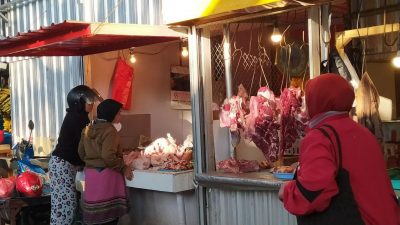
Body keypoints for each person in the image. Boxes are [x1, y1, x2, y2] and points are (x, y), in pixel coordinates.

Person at [279, 74, 400, 225]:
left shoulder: (320, 136)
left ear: (317, 101)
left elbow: (315, 194)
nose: (305, 107)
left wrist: (288, 191)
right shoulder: (363, 133)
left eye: (307, 100)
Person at [78, 99, 133, 225]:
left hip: (92, 176)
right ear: (111, 113)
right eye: (119, 113)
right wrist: (124, 167)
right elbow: (108, 157)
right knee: (109, 218)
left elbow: (81, 153)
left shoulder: (87, 129)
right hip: (107, 176)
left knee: (96, 218)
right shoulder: (110, 130)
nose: (121, 115)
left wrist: (92, 161)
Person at [49, 85, 98, 225]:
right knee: (65, 207)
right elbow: (84, 146)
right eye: (89, 101)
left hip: (64, 165)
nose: (92, 104)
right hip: (62, 165)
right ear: (78, 102)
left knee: (66, 205)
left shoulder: (79, 117)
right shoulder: (78, 119)